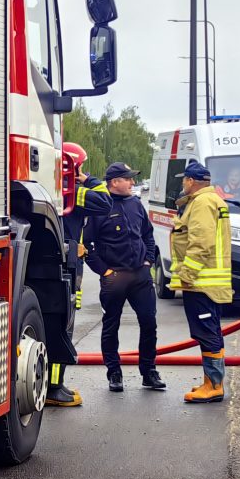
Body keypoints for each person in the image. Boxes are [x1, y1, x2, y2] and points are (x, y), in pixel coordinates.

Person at [83, 162, 165, 392]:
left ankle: (149, 372)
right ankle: (114, 373)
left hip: (140, 275)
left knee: (149, 322)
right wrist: (105, 271)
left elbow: (148, 235)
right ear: (114, 182)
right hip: (114, 278)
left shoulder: (135, 203)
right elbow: (86, 245)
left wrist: (148, 260)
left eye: (132, 179)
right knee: (111, 326)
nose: (132, 183)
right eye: (128, 179)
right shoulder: (99, 207)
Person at [47, 142, 112, 407]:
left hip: (59, 265)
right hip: (67, 269)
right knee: (62, 330)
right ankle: (54, 387)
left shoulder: (55, 190)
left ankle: (51, 385)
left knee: (54, 328)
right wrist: (90, 180)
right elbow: (105, 202)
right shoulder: (73, 192)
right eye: (81, 167)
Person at [169, 160, 232, 403]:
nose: (183, 183)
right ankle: (211, 381)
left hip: (202, 283)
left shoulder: (202, 203)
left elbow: (201, 243)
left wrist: (186, 275)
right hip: (208, 283)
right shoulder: (210, 200)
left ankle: (214, 385)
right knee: (211, 332)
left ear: (191, 181)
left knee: (207, 333)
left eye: (184, 180)